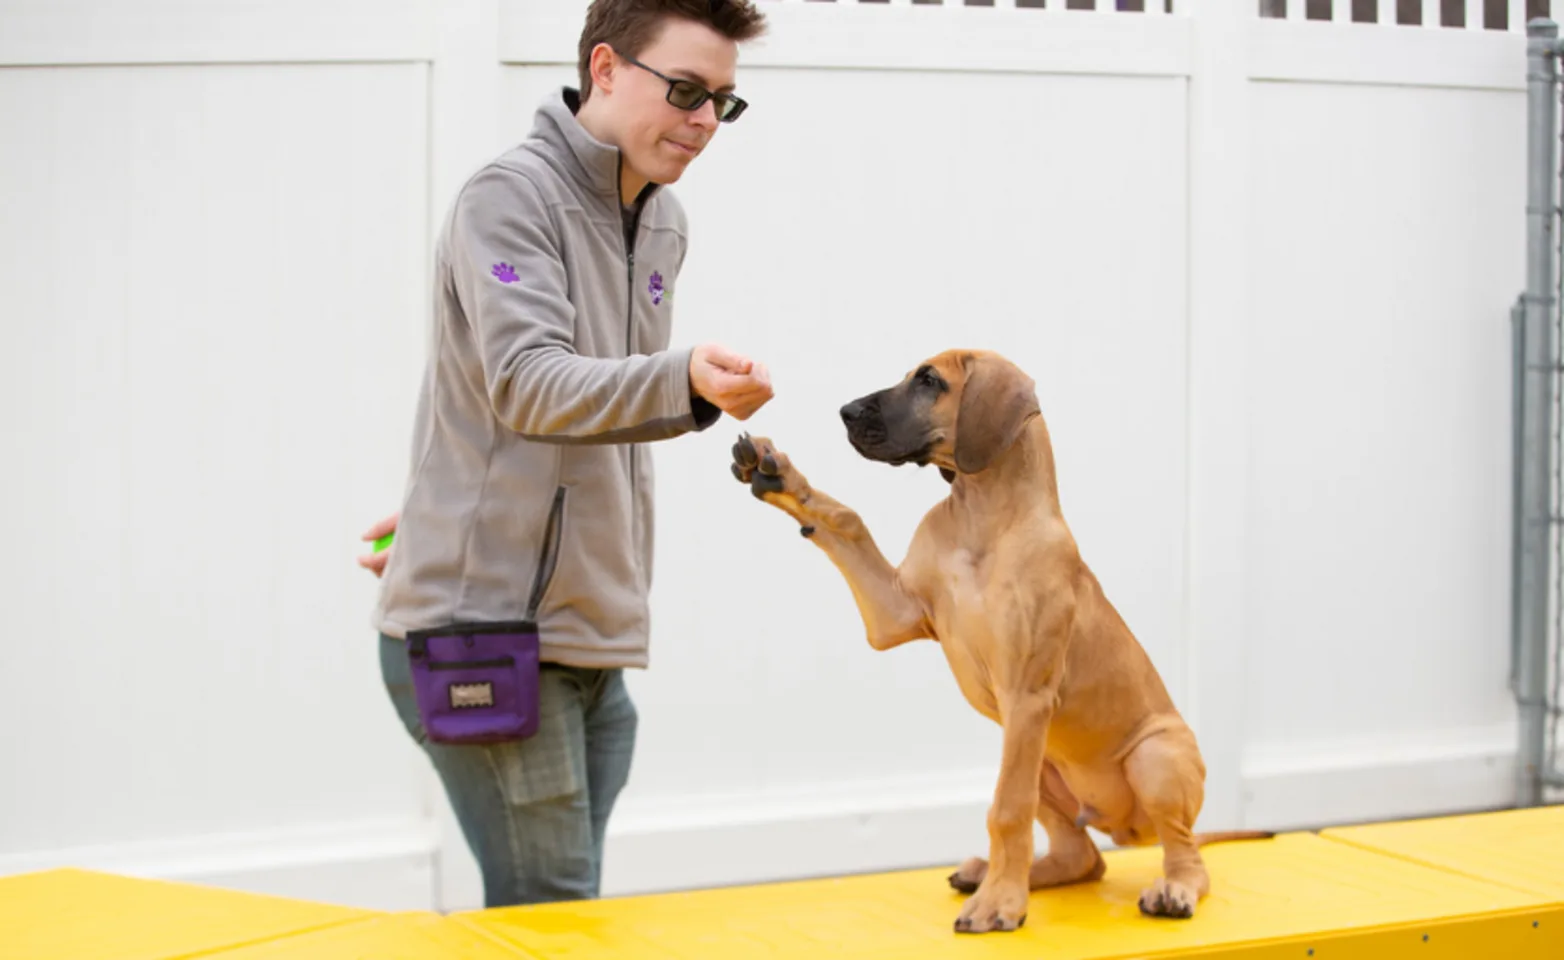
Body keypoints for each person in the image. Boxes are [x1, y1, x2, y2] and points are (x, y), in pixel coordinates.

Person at [358, 0, 772, 908]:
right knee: (552, 921)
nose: (706, 119)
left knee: (557, 921)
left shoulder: (663, 221)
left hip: (589, 634)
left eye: (723, 101)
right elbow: (528, 383)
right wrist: (684, 377)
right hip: (490, 633)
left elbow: (568, 417)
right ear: (606, 68)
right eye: (687, 90)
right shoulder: (510, 198)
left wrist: (447, 507)